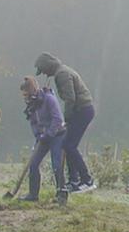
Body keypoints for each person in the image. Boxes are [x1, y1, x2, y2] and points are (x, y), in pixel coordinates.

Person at [35, 53, 97, 193]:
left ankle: (86, 180)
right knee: (67, 145)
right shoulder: (63, 70)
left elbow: (70, 99)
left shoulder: (61, 75)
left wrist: (66, 119)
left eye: (44, 70)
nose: (44, 74)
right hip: (81, 110)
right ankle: (74, 180)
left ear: (49, 66)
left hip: (82, 110)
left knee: (69, 145)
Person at [20, 77, 67, 203]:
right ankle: (33, 194)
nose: (25, 97)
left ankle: (62, 194)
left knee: (57, 165)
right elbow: (33, 122)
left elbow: (58, 119)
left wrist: (49, 133)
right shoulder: (31, 103)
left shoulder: (49, 99)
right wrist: (38, 135)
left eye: (26, 94)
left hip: (57, 135)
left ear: (32, 90)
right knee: (33, 163)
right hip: (42, 137)